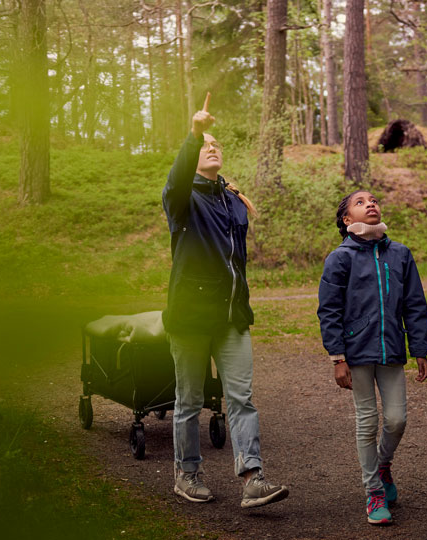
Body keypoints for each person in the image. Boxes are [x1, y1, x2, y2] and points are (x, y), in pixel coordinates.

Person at [162, 93, 288, 508]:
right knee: (189, 401)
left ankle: (253, 477)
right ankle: (187, 473)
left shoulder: (232, 200)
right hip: (191, 317)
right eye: (204, 145)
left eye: (216, 144)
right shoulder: (183, 200)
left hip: (233, 317)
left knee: (241, 399)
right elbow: (177, 179)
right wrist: (193, 134)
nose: (212, 147)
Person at [317, 190, 427, 526]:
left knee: (397, 420)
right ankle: (374, 492)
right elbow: (329, 310)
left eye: (373, 199)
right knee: (367, 421)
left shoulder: (400, 254)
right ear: (347, 219)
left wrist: (420, 348)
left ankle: (383, 465)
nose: (370, 203)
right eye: (360, 202)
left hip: (392, 348)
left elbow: (415, 303)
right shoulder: (340, 258)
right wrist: (337, 356)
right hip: (356, 352)